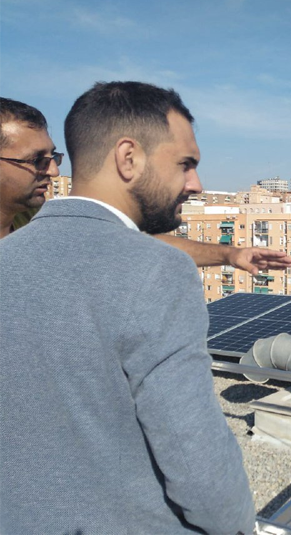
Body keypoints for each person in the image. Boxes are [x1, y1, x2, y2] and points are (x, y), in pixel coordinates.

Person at [0, 82, 257, 534]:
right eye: (185, 164)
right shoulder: (158, 272)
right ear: (128, 158)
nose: (195, 184)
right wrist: (237, 523)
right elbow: (196, 461)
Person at [0, 96, 291, 275]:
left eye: (54, 157)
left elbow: (128, 245)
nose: (52, 170)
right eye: (36, 159)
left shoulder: (33, 222)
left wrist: (230, 255)